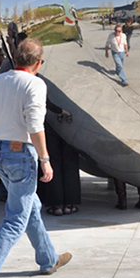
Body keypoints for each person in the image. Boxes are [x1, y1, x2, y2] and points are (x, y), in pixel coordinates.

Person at [0, 38, 72, 278]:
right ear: (38, 63)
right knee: (16, 218)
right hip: (21, 154)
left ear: (14, 58)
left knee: (30, 206)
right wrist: (45, 160)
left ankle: (48, 259)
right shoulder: (35, 84)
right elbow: (35, 125)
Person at [37, 86, 80, 216]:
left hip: (48, 122)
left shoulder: (38, 79)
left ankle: (56, 204)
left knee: (52, 161)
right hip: (74, 122)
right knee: (70, 162)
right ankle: (70, 203)